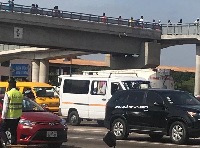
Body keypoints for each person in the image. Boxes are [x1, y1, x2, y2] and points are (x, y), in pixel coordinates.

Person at [0, 79, 23, 147]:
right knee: (13, 131)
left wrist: (3, 117)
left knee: (1, 130)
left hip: (8, 116)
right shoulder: (20, 94)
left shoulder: (8, 94)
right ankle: (13, 144)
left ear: (10, 85)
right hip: (17, 116)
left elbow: (5, 107)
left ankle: (6, 142)